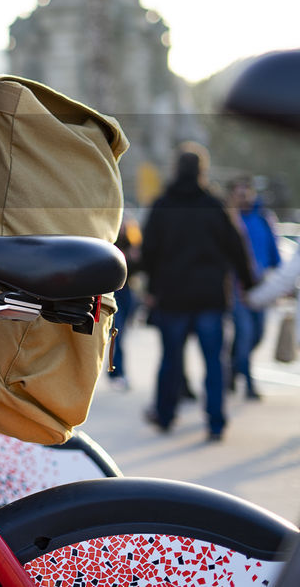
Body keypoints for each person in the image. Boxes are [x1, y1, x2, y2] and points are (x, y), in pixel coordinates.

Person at [140, 143, 255, 442]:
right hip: (210, 297)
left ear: (177, 169)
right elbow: (236, 247)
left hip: (172, 296)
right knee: (214, 362)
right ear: (202, 171)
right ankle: (215, 421)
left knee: (170, 360)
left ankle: (165, 414)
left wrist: (151, 288)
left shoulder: (163, 205)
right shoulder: (214, 206)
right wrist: (249, 283)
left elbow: (149, 251)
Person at [228, 177, 281, 399]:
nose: (243, 197)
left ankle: (231, 369)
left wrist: (276, 282)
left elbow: (274, 255)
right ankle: (248, 384)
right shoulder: (230, 220)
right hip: (237, 288)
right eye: (238, 194)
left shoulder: (264, 219)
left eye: (246, 193)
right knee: (245, 334)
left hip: (260, 288)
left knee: (258, 335)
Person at [106, 212, 142, 391]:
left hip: (127, 291)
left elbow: (137, 267)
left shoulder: (132, 239)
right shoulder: (107, 241)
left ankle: (116, 371)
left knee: (121, 334)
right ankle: (116, 372)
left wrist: (134, 258)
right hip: (112, 292)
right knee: (116, 333)